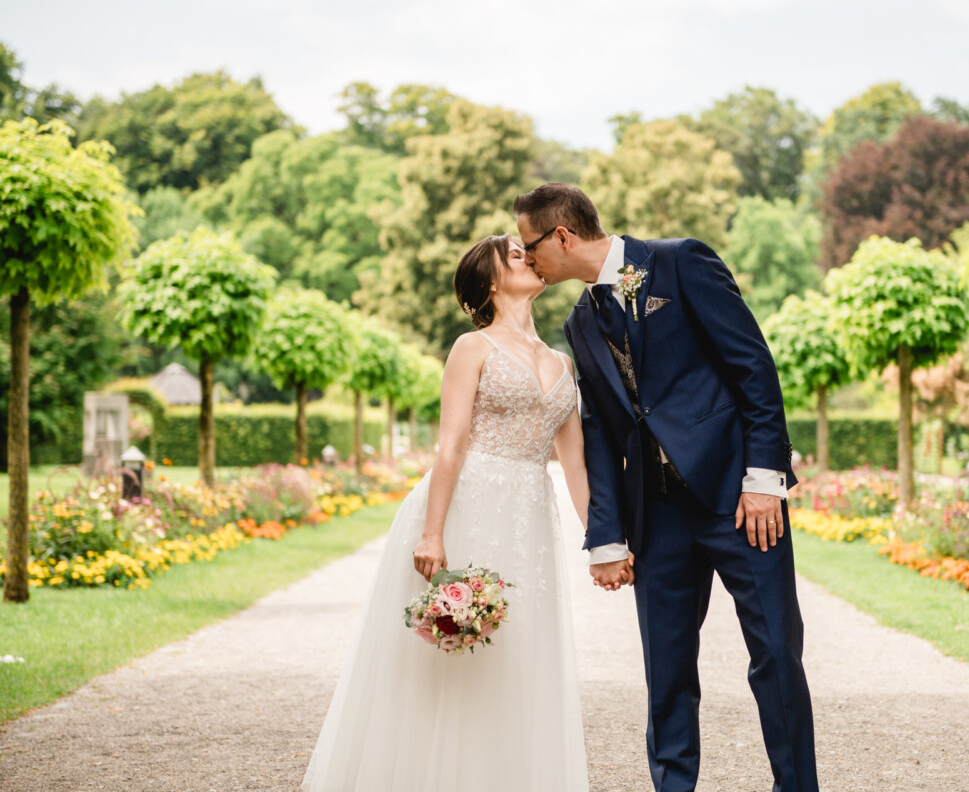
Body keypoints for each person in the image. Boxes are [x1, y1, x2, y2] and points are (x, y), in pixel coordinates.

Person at [514, 183, 820, 792]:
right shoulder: (579, 324)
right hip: (657, 517)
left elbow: (753, 367)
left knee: (776, 658)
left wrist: (763, 480)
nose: (526, 260)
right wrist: (605, 535)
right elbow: (599, 435)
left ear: (563, 236)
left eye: (529, 247)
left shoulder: (680, 262)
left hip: (740, 501)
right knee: (667, 674)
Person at [301, 235, 592, 791]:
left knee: (519, 654)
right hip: (468, 505)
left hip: (529, 516)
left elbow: (575, 465)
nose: (528, 256)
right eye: (514, 255)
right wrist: (433, 533)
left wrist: (602, 542)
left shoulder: (562, 360)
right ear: (490, 282)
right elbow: (451, 446)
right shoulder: (472, 348)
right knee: (454, 657)